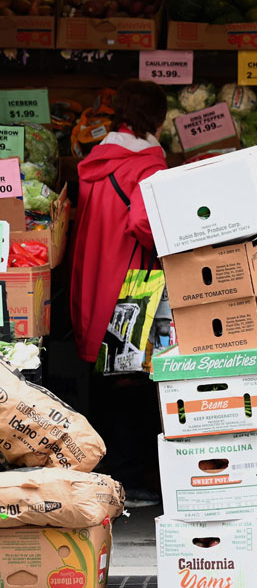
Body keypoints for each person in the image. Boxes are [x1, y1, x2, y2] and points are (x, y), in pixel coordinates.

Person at [70, 79, 168, 507]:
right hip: (133, 286)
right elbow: (147, 225)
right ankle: (130, 479)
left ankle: (109, 473)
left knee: (107, 383)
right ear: (155, 119)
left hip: (94, 280)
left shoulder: (94, 162)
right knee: (132, 385)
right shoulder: (146, 166)